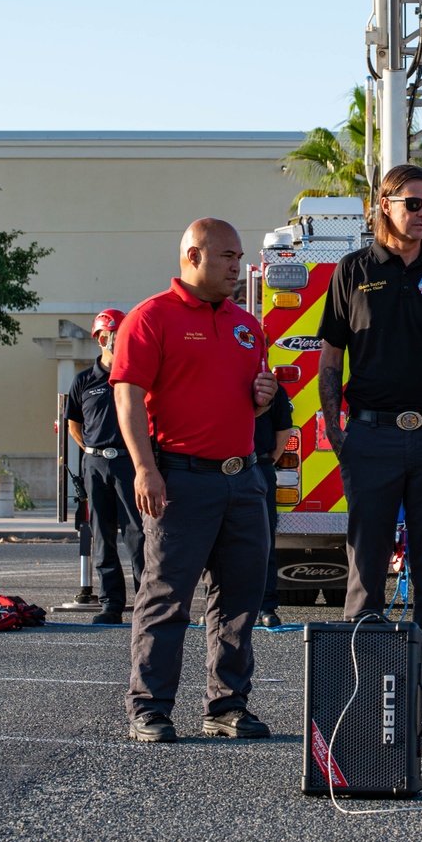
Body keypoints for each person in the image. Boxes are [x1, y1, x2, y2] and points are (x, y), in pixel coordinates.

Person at [317, 163, 422, 736]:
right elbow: (330, 359)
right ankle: (358, 707)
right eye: (413, 203)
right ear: (383, 204)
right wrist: (339, 433)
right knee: (365, 576)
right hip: (372, 439)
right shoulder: (352, 271)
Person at [111, 218, 279, 743]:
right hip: (180, 479)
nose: (238, 266)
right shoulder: (149, 319)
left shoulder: (247, 325)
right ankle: (150, 708)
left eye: (239, 256)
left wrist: (262, 397)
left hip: (243, 479)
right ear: (192, 257)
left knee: (239, 599)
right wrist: (145, 468)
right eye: (227, 256)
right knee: (166, 598)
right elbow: (128, 397)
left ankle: (226, 706)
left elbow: (247, 399)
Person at [66, 309, 144, 626]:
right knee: (102, 534)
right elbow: (74, 423)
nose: (120, 340)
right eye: (115, 334)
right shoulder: (84, 380)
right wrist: (90, 451)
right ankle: (111, 603)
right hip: (96, 464)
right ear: (101, 338)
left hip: (130, 462)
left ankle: (145, 603)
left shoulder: (136, 377)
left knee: (138, 534)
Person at [254, 379, 294, 628]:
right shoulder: (218, 377)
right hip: (217, 467)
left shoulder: (273, 388)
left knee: (263, 541)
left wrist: (267, 461)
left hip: (258, 467)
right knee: (216, 543)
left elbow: (283, 430)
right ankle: (220, 604)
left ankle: (266, 606)